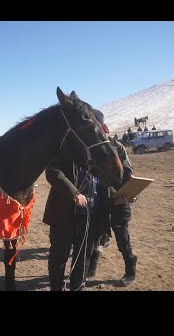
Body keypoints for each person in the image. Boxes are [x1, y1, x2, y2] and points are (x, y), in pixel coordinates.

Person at [43, 110, 106, 291]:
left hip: (90, 215)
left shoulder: (103, 153)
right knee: (58, 256)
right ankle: (56, 287)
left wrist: (127, 193)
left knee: (83, 256)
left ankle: (77, 288)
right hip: (64, 214)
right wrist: (74, 193)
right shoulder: (65, 148)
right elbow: (53, 172)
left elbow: (114, 178)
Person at [88, 123, 137, 287]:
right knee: (97, 233)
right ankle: (91, 268)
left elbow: (128, 169)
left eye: (105, 134)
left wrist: (130, 191)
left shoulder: (118, 147)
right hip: (101, 198)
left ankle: (130, 270)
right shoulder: (95, 148)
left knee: (122, 237)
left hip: (119, 199)